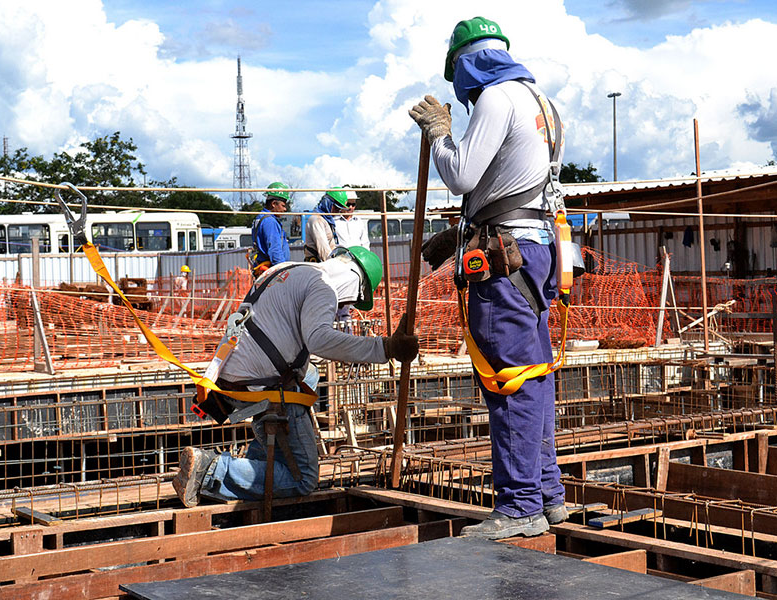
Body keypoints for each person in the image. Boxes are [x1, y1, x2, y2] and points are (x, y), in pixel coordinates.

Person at [409, 16, 567, 540]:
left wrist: (440, 133)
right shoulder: (542, 103)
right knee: (535, 374)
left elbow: (462, 175)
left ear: (465, 64)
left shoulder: (498, 98)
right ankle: (546, 495)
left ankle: (520, 505)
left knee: (509, 380)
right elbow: (513, 185)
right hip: (536, 249)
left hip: (508, 258)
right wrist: (459, 235)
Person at [172, 246, 419, 506]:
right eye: (352, 301)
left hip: (233, 376)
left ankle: (260, 460)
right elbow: (319, 340)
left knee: (309, 374)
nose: (345, 306)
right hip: (261, 385)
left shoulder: (287, 269)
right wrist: (385, 348)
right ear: (356, 284)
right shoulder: (323, 286)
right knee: (303, 479)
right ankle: (210, 469)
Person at [249, 182, 291, 276]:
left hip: (265, 270)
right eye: (283, 205)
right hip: (273, 271)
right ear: (273, 204)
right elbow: (275, 250)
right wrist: (283, 272)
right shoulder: (270, 221)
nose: (285, 209)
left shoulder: (261, 217)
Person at [303, 188, 348, 262]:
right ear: (328, 203)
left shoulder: (326, 220)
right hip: (316, 266)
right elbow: (324, 251)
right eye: (336, 208)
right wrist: (334, 266)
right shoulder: (316, 220)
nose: (337, 212)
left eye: (339, 210)